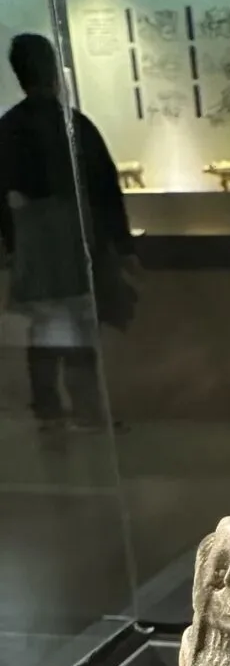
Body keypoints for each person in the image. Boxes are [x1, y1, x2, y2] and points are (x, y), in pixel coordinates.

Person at [0, 33, 136, 431]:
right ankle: (86, 410)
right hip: (75, 242)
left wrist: (11, 242)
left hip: (33, 245)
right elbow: (106, 188)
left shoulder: (8, 128)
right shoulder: (73, 125)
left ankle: (49, 408)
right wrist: (122, 243)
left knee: (44, 329)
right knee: (78, 327)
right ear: (52, 72)